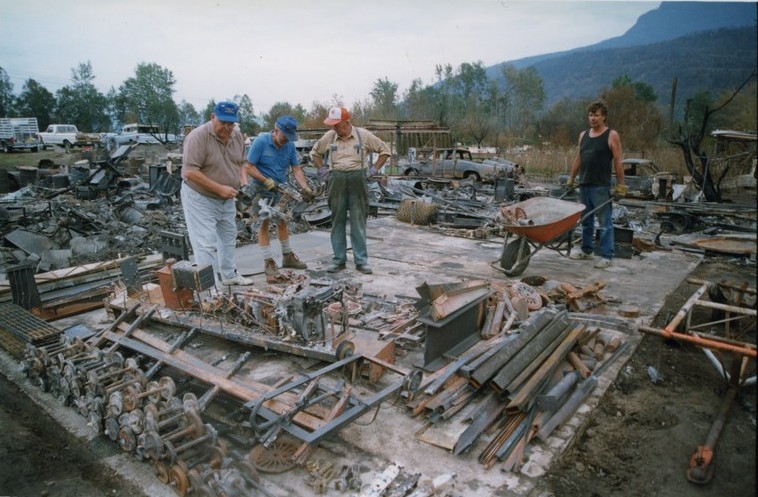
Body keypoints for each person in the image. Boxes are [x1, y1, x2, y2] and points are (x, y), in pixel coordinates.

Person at [310, 106, 391, 274]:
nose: (333, 127)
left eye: (336, 124)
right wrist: (322, 170)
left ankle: (361, 261)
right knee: (337, 220)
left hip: (358, 180)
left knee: (358, 221)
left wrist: (373, 170)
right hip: (336, 180)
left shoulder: (364, 135)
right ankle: (339, 260)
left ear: (346, 123)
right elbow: (314, 153)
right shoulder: (330, 136)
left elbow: (385, 151)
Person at [180, 101, 253, 286]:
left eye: (231, 124)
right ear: (213, 117)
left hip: (227, 197)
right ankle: (209, 287)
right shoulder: (198, 137)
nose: (227, 128)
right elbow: (189, 172)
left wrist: (243, 181)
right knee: (205, 243)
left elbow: (243, 162)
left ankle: (229, 275)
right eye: (223, 123)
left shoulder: (236, 136)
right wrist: (219, 188)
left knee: (228, 236)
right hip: (199, 197)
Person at [246, 115, 315, 276]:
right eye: (284, 136)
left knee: (282, 221)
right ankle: (268, 261)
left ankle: (287, 256)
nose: (286, 140)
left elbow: (296, 169)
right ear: (276, 131)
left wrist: (305, 188)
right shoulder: (261, 142)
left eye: (289, 138)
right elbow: (249, 167)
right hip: (260, 188)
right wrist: (265, 180)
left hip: (279, 190)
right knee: (263, 223)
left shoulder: (289, 146)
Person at [566, 99, 627, 269]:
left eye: (597, 115)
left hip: (601, 186)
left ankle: (607, 256)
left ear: (604, 117)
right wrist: (572, 178)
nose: (593, 118)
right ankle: (587, 251)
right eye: (591, 115)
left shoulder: (611, 135)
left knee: (605, 222)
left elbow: (618, 161)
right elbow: (579, 158)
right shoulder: (583, 135)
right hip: (584, 183)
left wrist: (621, 185)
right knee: (586, 220)